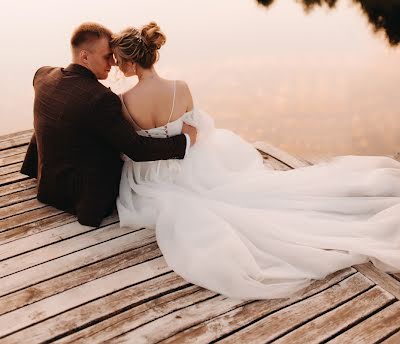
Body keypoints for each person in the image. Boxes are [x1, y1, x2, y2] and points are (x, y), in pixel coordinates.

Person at [111, 21, 400, 301]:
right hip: (189, 165)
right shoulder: (180, 88)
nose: (116, 64)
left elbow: (132, 148)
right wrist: (184, 134)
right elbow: (199, 132)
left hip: (153, 177)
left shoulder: (124, 101)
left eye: (120, 60)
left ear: (133, 63)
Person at [20, 22, 196, 227]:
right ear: (84, 56)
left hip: (48, 188)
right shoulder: (101, 99)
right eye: (106, 56)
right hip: (85, 200)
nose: (113, 63)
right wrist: (185, 140)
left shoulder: (43, 75)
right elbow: (138, 150)